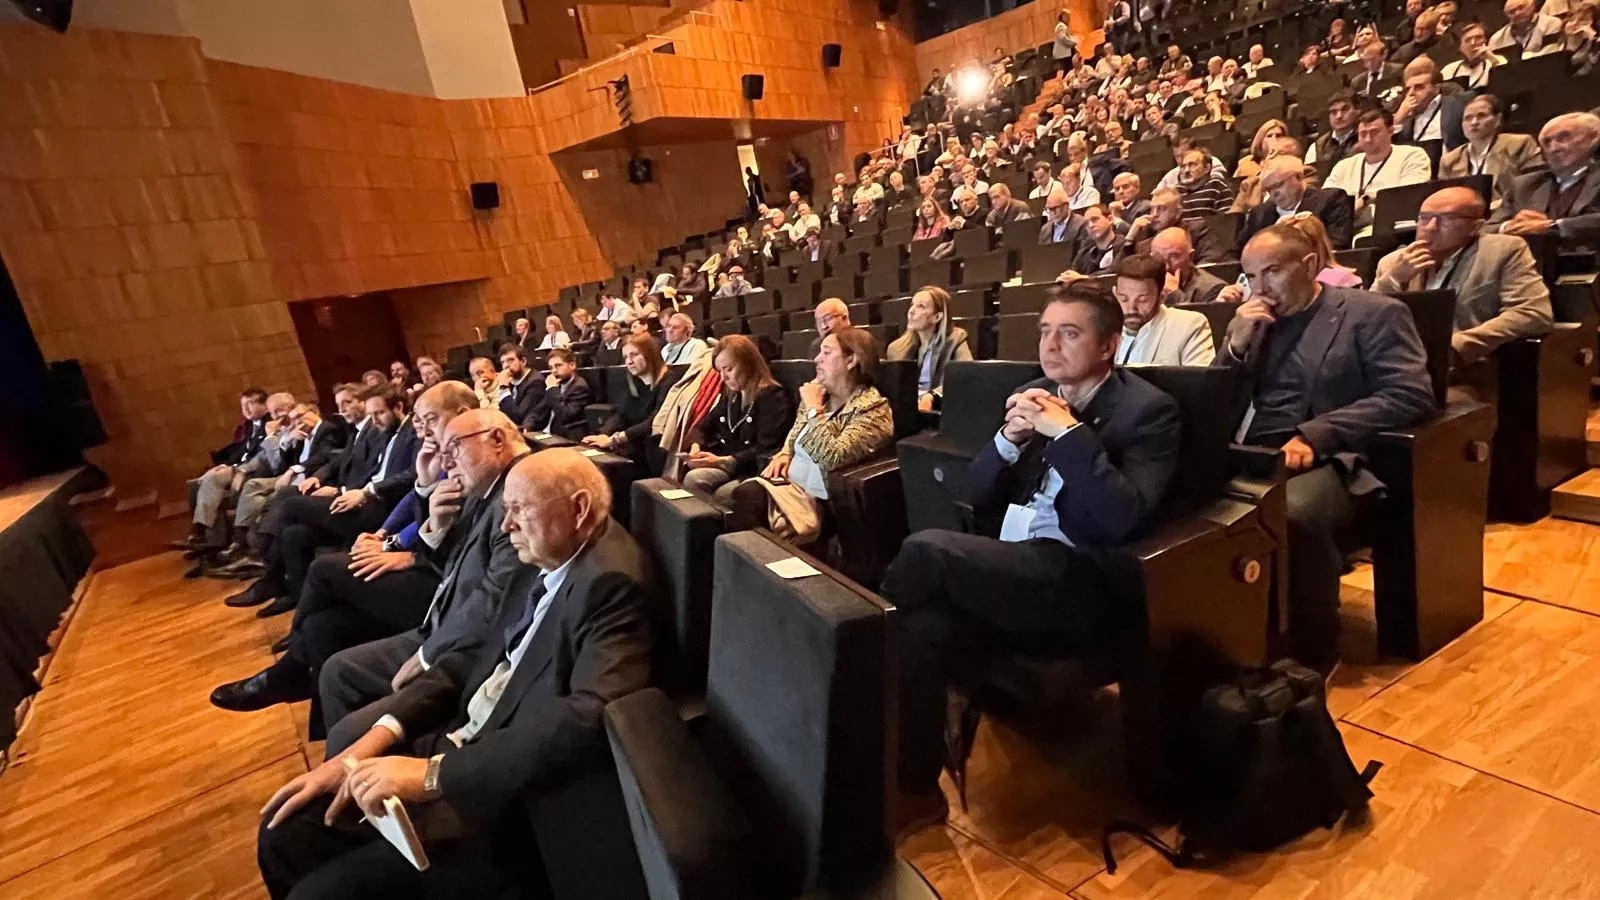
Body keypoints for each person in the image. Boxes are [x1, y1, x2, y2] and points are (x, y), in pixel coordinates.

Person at [256, 450, 653, 900]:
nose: (507, 525)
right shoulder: (546, 552)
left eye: (519, 509)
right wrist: (369, 744)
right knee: (282, 831)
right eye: (505, 510)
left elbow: (589, 714)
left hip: (498, 801)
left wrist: (433, 776)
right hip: (458, 740)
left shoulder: (611, 584)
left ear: (578, 509)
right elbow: (476, 658)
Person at [882, 280, 1181, 822]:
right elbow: (972, 494)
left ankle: (853, 663)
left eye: (1070, 334)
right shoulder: (1036, 391)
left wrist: (1067, 435)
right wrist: (1008, 440)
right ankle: (915, 790)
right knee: (922, 626)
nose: (1051, 345)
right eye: (1045, 332)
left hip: (1080, 577)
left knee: (924, 552)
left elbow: (1122, 517)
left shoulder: (1147, 411)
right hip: (1017, 563)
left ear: (1108, 345)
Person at [1219, 224, 1436, 670]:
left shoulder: (1373, 313)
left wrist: (1317, 434)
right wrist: (1235, 346)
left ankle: (1314, 648)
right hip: (1254, 450)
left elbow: (1409, 393)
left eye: (1272, 272)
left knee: (1292, 512)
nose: (1260, 288)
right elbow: (1218, 395)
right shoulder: (1254, 322)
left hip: (1337, 456)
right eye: (1250, 276)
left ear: (1311, 264)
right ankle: (1226, 636)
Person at [208, 383, 483, 714]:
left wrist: (401, 547)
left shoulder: (475, 464)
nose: (422, 429)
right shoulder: (439, 452)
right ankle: (318, 707)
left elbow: (456, 538)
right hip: (423, 556)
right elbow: (420, 501)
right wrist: (386, 535)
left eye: (429, 420)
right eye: (420, 421)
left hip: (438, 583)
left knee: (320, 559)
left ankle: (289, 665)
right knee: (319, 622)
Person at [227, 386, 418, 616]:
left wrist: (362, 491)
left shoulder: (411, 431)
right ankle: (295, 595)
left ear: (398, 407)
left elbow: (411, 474)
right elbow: (368, 468)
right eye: (373, 414)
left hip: (381, 506)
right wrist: (343, 490)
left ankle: (269, 573)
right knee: (294, 534)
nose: (375, 419)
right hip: (361, 497)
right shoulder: (384, 431)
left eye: (379, 413)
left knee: (291, 502)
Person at [1373, 187, 1553, 394]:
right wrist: (1393, 280)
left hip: (1464, 375)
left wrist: (1456, 347)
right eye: (1425, 218)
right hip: (1394, 372)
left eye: (1447, 219)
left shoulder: (1504, 250)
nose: (1430, 227)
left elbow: (1533, 313)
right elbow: (1364, 321)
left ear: (1476, 226)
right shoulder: (1393, 262)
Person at [758, 328, 895, 544]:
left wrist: (814, 410)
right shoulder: (820, 394)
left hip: (820, 503)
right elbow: (795, 433)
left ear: (851, 360)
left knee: (745, 501)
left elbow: (831, 458)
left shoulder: (873, 410)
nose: (816, 359)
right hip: (790, 486)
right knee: (737, 498)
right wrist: (785, 453)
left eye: (827, 352)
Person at [678, 335, 792, 502]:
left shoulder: (772, 396)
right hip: (730, 464)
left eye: (729, 369)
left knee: (724, 494)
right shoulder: (731, 395)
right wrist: (695, 448)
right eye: (720, 371)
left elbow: (765, 448)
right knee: (694, 478)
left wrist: (722, 461)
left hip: (754, 469)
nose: (723, 377)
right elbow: (705, 425)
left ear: (748, 363)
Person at [1489, 112, 1600, 250]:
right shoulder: (1524, 185)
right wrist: (1509, 226)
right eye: (1547, 142)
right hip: (1532, 260)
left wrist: (1553, 226)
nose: (1554, 148)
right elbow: (1488, 227)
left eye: (1564, 137)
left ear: (1593, 138)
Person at [1324, 107, 1433, 232]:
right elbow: (1326, 200)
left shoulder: (1412, 156)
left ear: (1390, 131)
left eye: (1374, 132)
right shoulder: (1344, 166)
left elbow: (1409, 194)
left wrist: (1366, 199)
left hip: (1388, 227)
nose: (1368, 139)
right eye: (1363, 134)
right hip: (1345, 228)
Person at [582, 334, 682, 468]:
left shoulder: (670, 381)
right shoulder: (635, 381)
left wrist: (615, 439)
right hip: (636, 446)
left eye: (634, 355)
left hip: (656, 452)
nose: (629, 362)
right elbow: (622, 414)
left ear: (650, 354)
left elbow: (654, 422)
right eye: (625, 357)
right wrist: (602, 434)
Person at [1439, 94, 1542, 212]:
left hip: (1508, 211)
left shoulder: (1519, 144)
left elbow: (1534, 184)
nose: (1474, 122)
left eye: (1481, 116)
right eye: (1467, 118)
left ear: (1498, 120)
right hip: (1465, 215)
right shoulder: (1450, 159)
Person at [1107, 255, 1216, 366]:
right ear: (1115, 294)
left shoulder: (1189, 326)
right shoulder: (1103, 327)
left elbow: (1197, 376)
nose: (1131, 309)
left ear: (1162, 297)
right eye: (1124, 299)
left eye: (1142, 300)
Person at [1238, 155, 1355, 251]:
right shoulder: (1259, 214)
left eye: (1278, 185)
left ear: (1299, 177)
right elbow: (1242, 251)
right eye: (1268, 189)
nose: (1273, 194)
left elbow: (1337, 243)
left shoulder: (1330, 200)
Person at [887, 286, 976, 412]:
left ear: (937, 317)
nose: (911, 311)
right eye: (912, 305)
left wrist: (931, 396)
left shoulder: (956, 339)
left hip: (939, 410)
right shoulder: (896, 348)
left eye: (921, 306)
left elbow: (967, 375)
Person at [1125, 187, 1227, 261]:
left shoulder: (1196, 230)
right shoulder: (1145, 238)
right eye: (1152, 209)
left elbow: (1209, 260)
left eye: (1162, 208)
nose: (1155, 214)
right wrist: (1130, 237)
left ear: (1178, 212)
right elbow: (1130, 270)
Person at [1151, 227, 1236, 305]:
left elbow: (1196, 317)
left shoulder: (1212, 289)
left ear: (1191, 256)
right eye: (1159, 258)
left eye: (1174, 256)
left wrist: (1173, 293)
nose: (1167, 267)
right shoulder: (1147, 282)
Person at [520, 348, 590, 439]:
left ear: (572, 365)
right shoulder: (557, 385)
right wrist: (527, 427)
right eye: (551, 367)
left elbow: (565, 414)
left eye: (558, 366)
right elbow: (538, 412)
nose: (554, 371)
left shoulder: (579, 386)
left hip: (565, 436)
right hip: (547, 433)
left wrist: (552, 389)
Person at [1306, 90, 1360, 182]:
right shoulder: (1317, 147)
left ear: (1357, 111)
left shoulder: (1366, 138)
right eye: (1333, 112)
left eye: (1345, 109)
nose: (1339, 116)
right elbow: (1309, 180)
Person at [1062, 204, 1123, 276]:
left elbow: (1115, 273)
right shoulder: (1085, 251)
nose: (1090, 225)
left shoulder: (1124, 246)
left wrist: (1083, 278)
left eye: (1095, 219)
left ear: (1110, 219)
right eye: (1087, 223)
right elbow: (1073, 271)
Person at [1441, 22, 1507, 88]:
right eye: (1467, 40)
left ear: (1486, 41)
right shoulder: (1449, 70)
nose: (1473, 43)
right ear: (1460, 48)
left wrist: (1491, 57)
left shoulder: (1498, 61)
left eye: (1478, 37)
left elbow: (1507, 81)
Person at [1490, 0, 1564, 56]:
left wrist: (1526, 57)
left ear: (1532, 6)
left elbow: (1552, 52)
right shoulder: (1497, 39)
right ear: (1506, 16)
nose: (1517, 13)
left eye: (1521, 8)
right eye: (1511, 12)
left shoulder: (1551, 24)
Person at [494, 344, 542, 428]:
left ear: (523, 361)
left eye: (510, 360)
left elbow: (518, 418)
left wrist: (503, 389)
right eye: (503, 362)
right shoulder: (510, 381)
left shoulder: (536, 382)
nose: (506, 366)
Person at [1175, 148, 1232, 219]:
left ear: (1206, 168)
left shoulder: (1216, 186)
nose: (1186, 170)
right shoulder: (1177, 191)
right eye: (1183, 166)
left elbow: (1226, 221)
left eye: (1192, 165)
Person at [1052, 10, 1078, 75]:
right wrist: (1073, 42)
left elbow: (1066, 37)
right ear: (1063, 17)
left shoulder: (1063, 26)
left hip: (1065, 54)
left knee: (1068, 70)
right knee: (1067, 71)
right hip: (1063, 55)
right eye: (1067, 17)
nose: (1069, 19)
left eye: (1069, 17)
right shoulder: (1061, 26)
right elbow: (1063, 38)